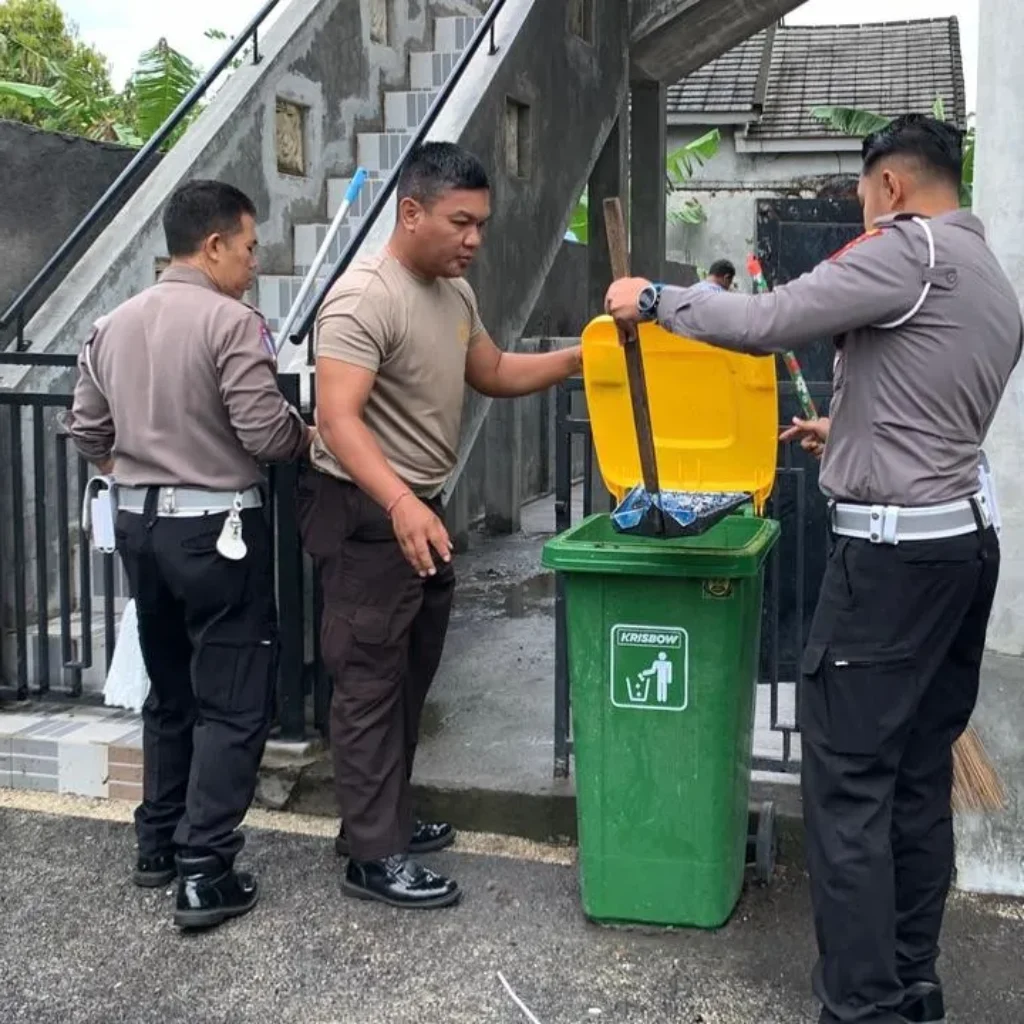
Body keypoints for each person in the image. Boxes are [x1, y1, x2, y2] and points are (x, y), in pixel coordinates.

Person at [605, 114, 1023, 1024]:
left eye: (864, 198)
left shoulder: (906, 248)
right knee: (915, 780)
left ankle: (861, 1008)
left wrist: (651, 298)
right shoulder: (987, 275)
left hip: (890, 564)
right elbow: (937, 411)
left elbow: (767, 319)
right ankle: (913, 985)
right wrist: (851, 429)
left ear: (894, 187)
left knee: (848, 791)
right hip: (961, 548)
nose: (863, 215)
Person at [299, 141, 582, 910]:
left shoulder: (454, 295)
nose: (474, 240)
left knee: (407, 677)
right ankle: (372, 856)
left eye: (482, 224)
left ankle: (379, 821)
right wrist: (399, 503)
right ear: (412, 210)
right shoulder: (365, 297)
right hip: (369, 512)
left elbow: (490, 371)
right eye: (462, 222)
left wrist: (579, 358)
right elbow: (337, 419)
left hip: (416, 510)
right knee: (367, 683)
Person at [66, 179, 313, 930]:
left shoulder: (111, 322)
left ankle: (157, 845)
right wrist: (309, 436)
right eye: (246, 248)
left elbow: (85, 431)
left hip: (140, 530)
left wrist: (133, 465)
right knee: (233, 700)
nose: (252, 262)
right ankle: (206, 869)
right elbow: (266, 435)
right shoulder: (234, 323)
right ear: (212, 246)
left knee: (169, 689)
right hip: (218, 530)